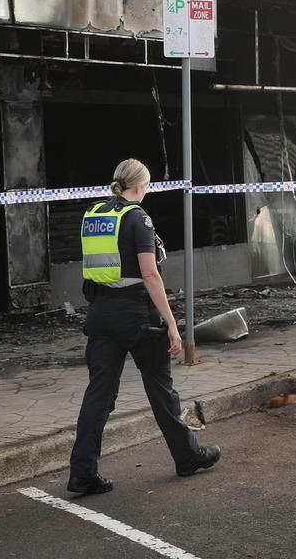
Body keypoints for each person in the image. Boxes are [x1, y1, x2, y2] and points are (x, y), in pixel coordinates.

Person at [67, 159, 220, 494]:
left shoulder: (95, 215)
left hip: (100, 314)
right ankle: (188, 456)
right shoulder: (138, 218)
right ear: (140, 186)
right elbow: (150, 274)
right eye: (148, 186)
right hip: (136, 315)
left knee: (99, 395)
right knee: (161, 390)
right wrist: (171, 324)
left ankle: (82, 472)